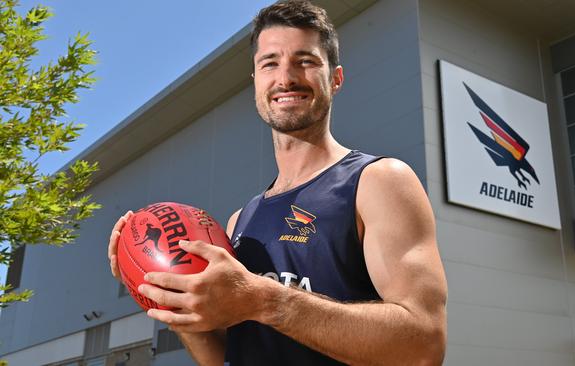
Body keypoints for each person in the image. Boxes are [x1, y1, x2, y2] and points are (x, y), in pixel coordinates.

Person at [107, 1, 447, 365]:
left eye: (305, 60)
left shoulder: (378, 181)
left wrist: (263, 299)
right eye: (270, 63)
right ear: (256, 82)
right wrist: (174, 300)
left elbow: (424, 344)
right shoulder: (241, 220)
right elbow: (227, 356)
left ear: (335, 78)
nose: (285, 78)